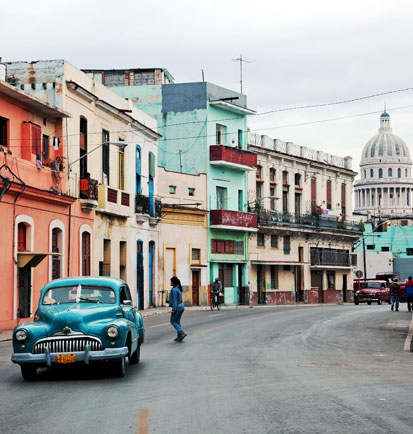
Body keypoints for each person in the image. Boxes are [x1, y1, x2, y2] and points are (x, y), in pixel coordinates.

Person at [169, 276, 186, 342]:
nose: (170, 283)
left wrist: (173, 309)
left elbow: (175, 300)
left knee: (172, 321)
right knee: (177, 321)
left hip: (177, 307)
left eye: (171, 281)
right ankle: (179, 337)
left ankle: (182, 333)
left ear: (174, 282)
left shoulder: (174, 290)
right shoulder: (178, 288)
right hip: (181, 306)